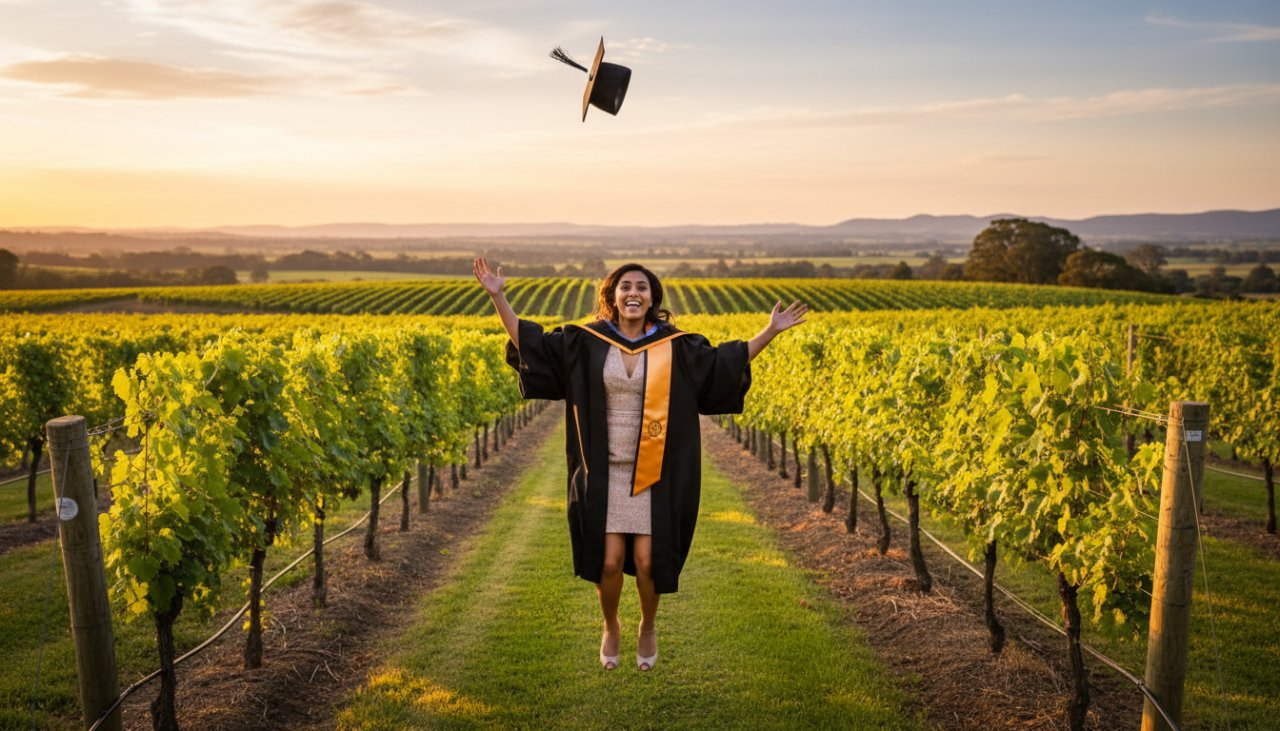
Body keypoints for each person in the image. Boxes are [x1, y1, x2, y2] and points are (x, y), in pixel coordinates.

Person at [473, 257, 806, 671]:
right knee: (608, 561)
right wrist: (498, 298)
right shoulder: (587, 340)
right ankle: (611, 625)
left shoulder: (676, 345)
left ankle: (648, 625)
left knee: (650, 562)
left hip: (655, 473)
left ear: (652, 298)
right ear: (612, 296)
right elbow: (532, 345)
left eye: (642, 287)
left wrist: (769, 332)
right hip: (605, 471)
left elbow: (723, 365)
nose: (634, 293)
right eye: (626, 286)